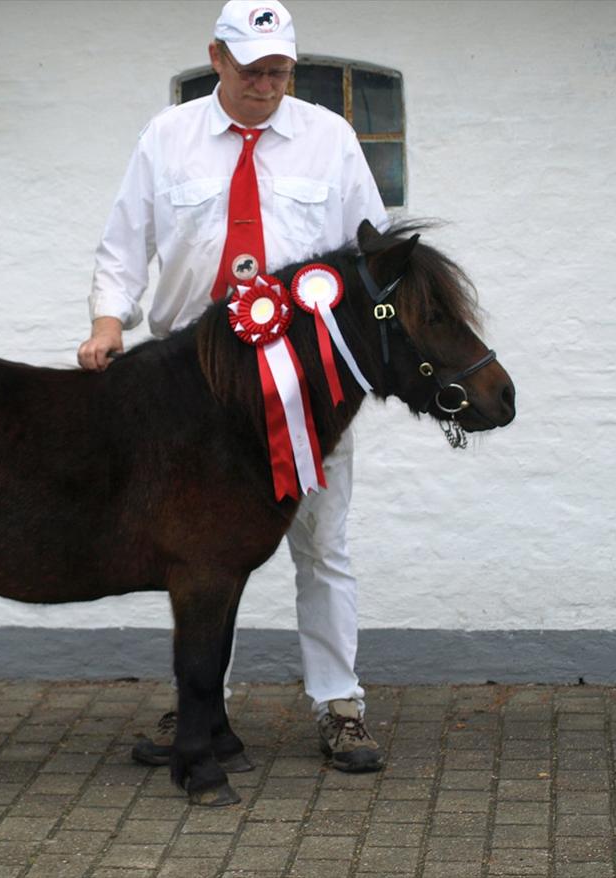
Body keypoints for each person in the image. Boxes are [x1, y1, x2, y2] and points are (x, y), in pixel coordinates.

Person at [77, 0, 387, 772]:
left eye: (280, 71)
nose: (267, 84)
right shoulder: (167, 136)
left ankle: (340, 705)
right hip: (191, 391)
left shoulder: (330, 138)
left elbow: (370, 254)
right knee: (197, 553)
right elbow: (125, 243)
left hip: (305, 385)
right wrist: (109, 323)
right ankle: (199, 705)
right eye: (252, 70)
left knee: (323, 545)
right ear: (216, 58)